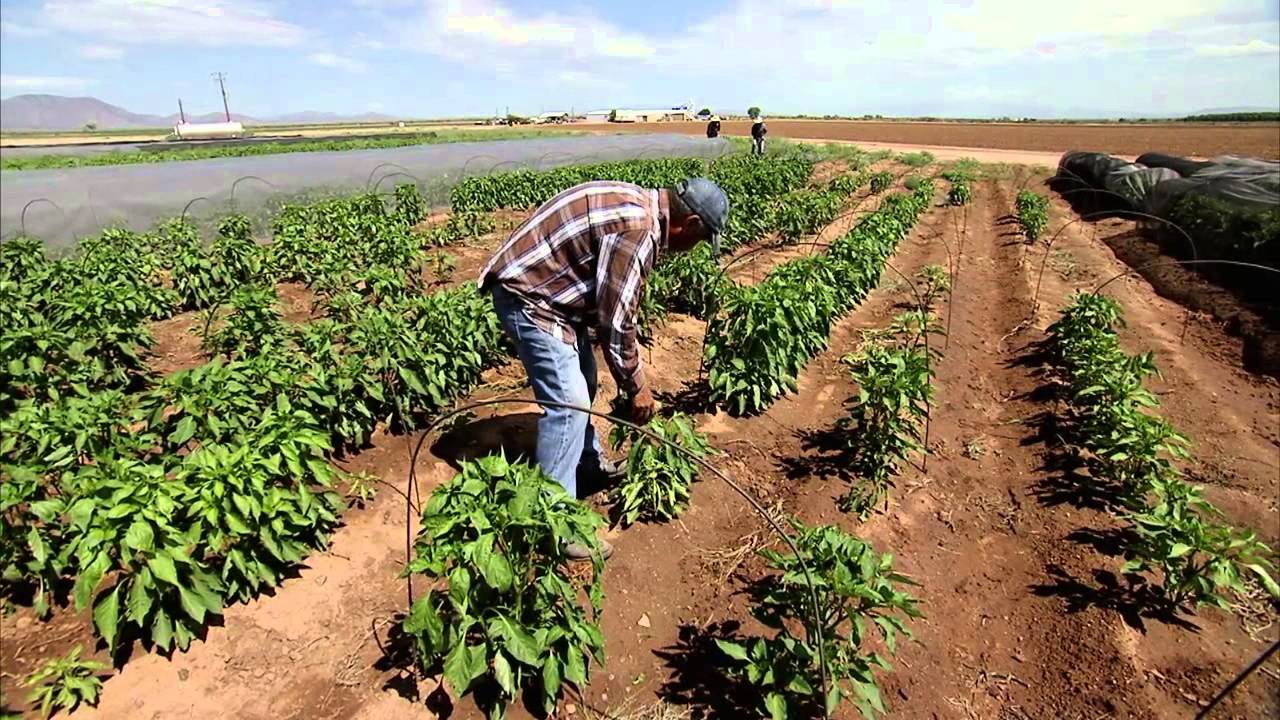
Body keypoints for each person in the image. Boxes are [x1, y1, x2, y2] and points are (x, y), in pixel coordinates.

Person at [478, 178, 729, 559]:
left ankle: (587, 465)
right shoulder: (637, 231)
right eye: (699, 238)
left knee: (586, 379)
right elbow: (616, 322)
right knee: (569, 404)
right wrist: (637, 387)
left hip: (557, 294)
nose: (690, 250)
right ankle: (555, 525)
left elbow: (613, 301)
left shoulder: (642, 205)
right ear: (690, 222)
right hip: (529, 297)